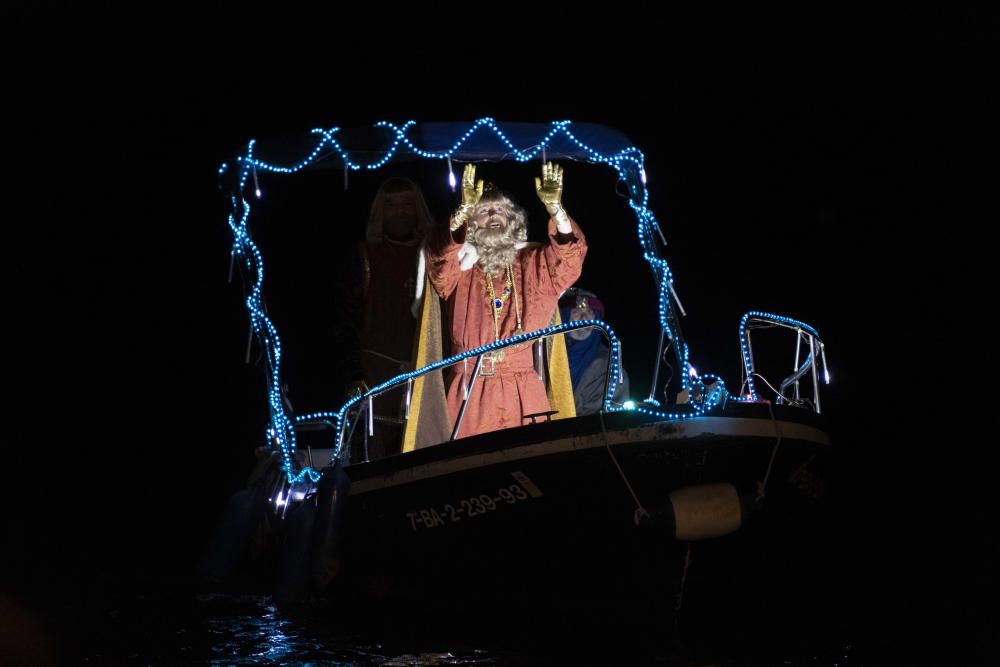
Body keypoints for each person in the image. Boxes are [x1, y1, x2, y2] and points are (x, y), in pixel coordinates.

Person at [425, 162, 587, 437]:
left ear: (514, 220)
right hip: (469, 390)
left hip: (522, 389)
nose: (493, 215)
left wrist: (556, 212)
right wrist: (460, 213)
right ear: (471, 224)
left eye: (500, 209)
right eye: (484, 211)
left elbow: (569, 262)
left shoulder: (533, 263)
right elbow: (439, 261)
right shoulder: (460, 265)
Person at [334, 177, 437, 459]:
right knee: (374, 449)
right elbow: (346, 319)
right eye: (392, 205)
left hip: (424, 369)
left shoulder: (435, 254)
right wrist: (354, 372)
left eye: (407, 204)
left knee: (424, 447)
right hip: (376, 372)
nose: (401, 212)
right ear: (381, 211)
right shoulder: (365, 255)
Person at [558, 288, 630, 415]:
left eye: (590, 312)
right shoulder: (542, 359)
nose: (583, 318)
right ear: (563, 317)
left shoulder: (610, 370)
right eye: (576, 311)